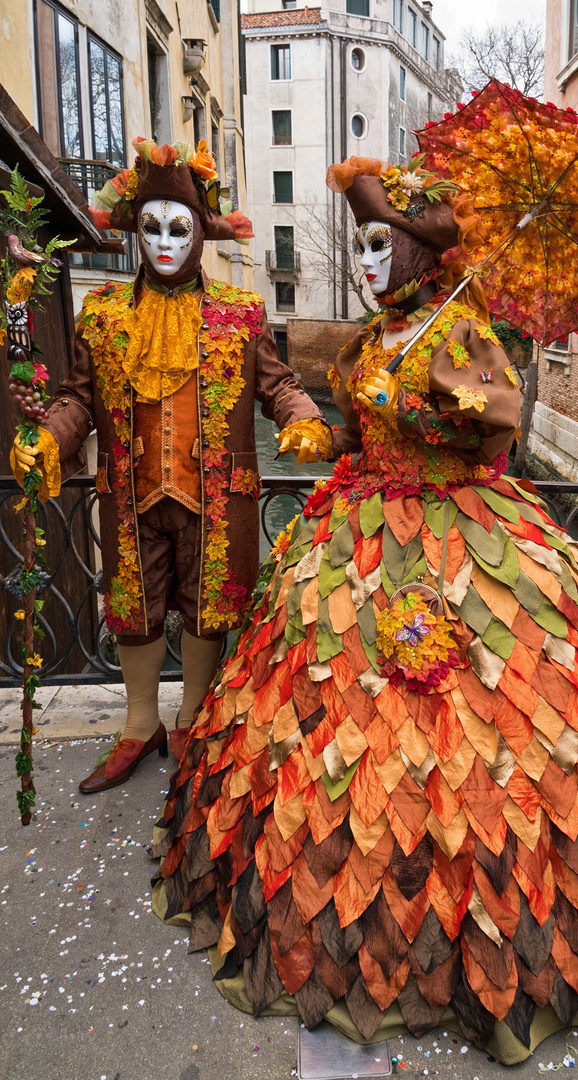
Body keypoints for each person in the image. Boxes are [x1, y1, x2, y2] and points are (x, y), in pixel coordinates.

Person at [151, 157, 578, 1064]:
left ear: (417, 252)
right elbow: (354, 427)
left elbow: (497, 436)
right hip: (354, 533)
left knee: (493, 716)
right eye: (356, 245)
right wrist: (338, 428)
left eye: (378, 244)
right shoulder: (371, 336)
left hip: (461, 530)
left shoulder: (458, 330)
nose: (363, 262)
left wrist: (453, 403)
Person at [10, 137, 331, 793]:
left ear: (199, 235)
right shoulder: (100, 316)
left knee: (209, 605)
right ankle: (138, 726)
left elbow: (277, 385)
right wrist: (49, 438)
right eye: (150, 227)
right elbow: (76, 397)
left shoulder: (240, 314)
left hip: (217, 498)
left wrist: (304, 419)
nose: (162, 241)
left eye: (177, 228)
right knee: (134, 608)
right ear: (136, 231)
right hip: (131, 496)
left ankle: (190, 716)